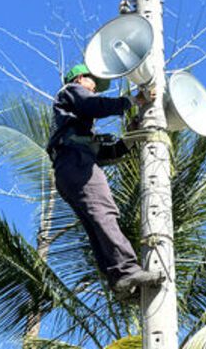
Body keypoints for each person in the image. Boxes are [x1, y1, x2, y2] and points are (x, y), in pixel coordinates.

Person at [47, 63, 162, 300]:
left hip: (69, 165)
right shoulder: (70, 91)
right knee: (103, 213)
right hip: (76, 162)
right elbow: (94, 105)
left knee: (95, 222)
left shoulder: (74, 127)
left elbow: (108, 153)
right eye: (93, 83)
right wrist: (133, 100)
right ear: (80, 78)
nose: (94, 89)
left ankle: (118, 280)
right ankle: (127, 270)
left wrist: (130, 138)